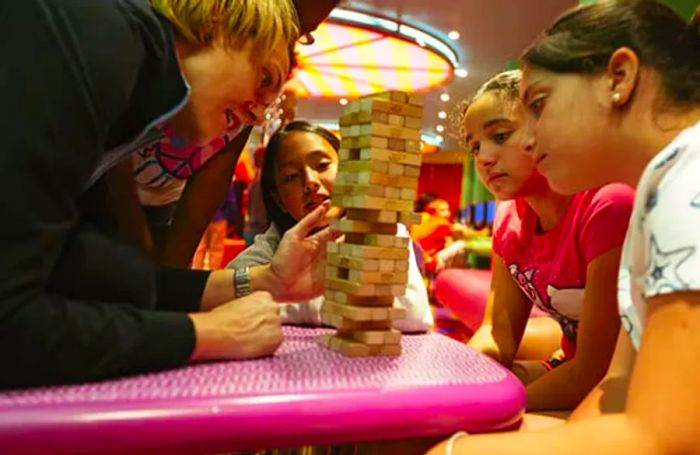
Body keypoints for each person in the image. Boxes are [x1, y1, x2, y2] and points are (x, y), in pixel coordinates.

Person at [0, 0, 334, 389]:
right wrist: (205, 334)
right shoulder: (97, 38)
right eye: (264, 78)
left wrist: (268, 281)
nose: (258, 115)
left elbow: (102, 285)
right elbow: (11, 321)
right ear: (218, 16)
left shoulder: (132, 95)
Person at [430, 1, 700, 453]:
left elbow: (666, 434)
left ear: (619, 78)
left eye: (539, 105)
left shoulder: (685, 177)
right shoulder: (659, 184)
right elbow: (617, 383)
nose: (530, 139)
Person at [113, 0, 343, 268]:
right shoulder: (126, 45)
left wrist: (165, 284)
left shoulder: (236, 108)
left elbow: (211, 182)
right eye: (291, 22)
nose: (256, 115)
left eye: (301, 34)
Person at [454, 70, 634, 412]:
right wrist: (460, 381)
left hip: (630, 382)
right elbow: (497, 335)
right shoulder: (508, 217)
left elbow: (594, 372)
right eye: (474, 146)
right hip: (573, 367)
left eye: (500, 135)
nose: (484, 157)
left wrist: (486, 411)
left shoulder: (608, 204)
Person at [229, 121, 433, 332]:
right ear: (278, 199)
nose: (310, 181)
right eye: (291, 176)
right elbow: (229, 293)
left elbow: (411, 310)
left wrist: (293, 298)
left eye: (322, 165)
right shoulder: (278, 242)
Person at [244, 146, 269, 246]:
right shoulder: (266, 180)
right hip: (262, 229)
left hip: (251, 227)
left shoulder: (254, 179)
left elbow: (249, 206)